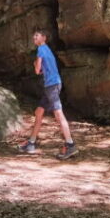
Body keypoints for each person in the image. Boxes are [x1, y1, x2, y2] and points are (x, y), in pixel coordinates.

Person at [17, 29, 77, 159]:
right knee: (39, 112)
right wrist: (39, 69)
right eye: (33, 37)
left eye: (37, 36)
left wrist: (35, 66)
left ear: (44, 38)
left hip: (52, 86)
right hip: (51, 86)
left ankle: (70, 145)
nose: (34, 38)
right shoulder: (47, 50)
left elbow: (37, 69)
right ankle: (31, 143)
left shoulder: (41, 49)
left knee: (58, 114)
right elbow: (44, 70)